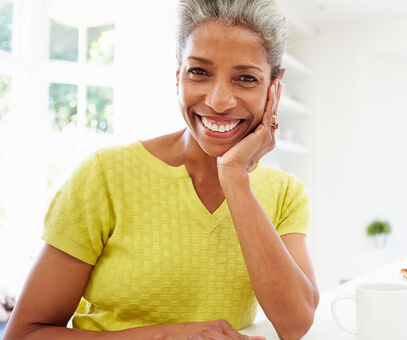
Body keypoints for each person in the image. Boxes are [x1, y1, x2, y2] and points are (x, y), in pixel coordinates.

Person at [3, 0, 319, 339]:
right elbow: (25, 334)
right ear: (178, 75)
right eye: (199, 71)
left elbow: (295, 323)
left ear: (274, 87)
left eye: (245, 78)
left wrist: (235, 178)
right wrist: (167, 335)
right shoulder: (106, 175)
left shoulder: (286, 193)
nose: (218, 101)